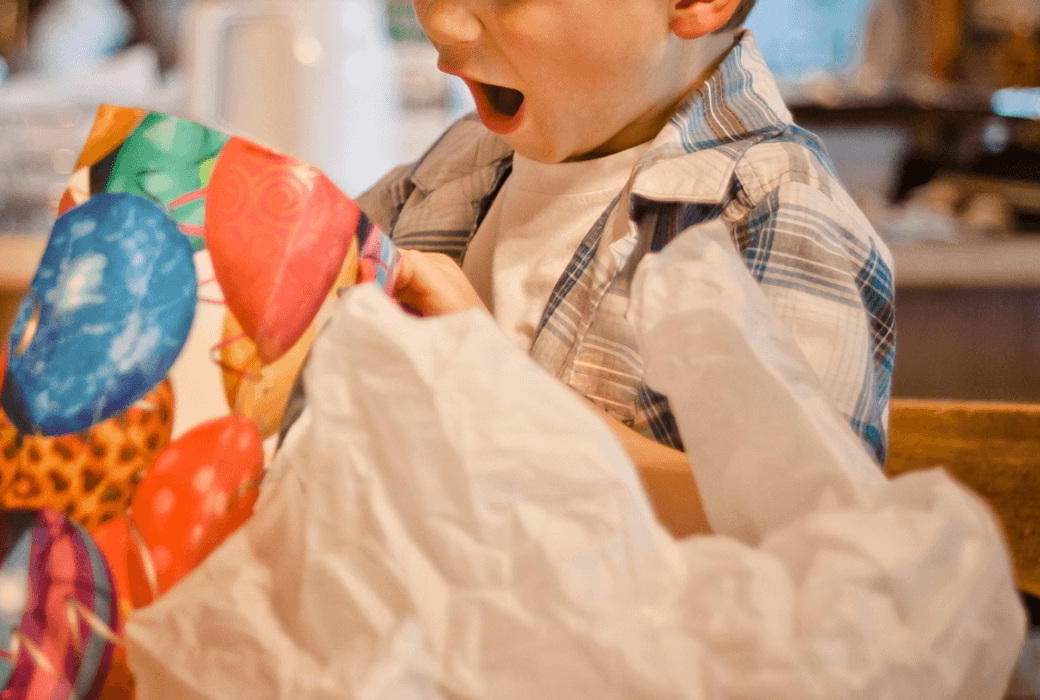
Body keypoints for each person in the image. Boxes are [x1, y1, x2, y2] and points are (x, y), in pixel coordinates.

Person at [353, 0, 895, 536]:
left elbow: (800, 537)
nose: (441, 23)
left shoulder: (774, 208)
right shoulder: (450, 166)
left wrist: (494, 382)